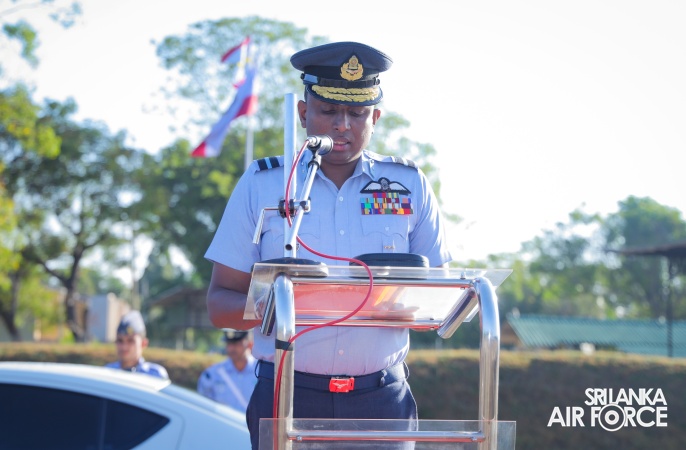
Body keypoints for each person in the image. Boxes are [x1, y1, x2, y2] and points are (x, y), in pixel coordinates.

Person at [204, 41, 452, 449]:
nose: (342, 125)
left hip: (380, 401)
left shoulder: (408, 185)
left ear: (375, 118)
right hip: (287, 393)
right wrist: (272, 308)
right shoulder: (264, 184)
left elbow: (440, 301)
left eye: (357, 113)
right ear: (304, 114)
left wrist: (397, 300)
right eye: (329, 110)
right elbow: (219, 304)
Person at [197, 329, 258, 413]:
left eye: (236, 344)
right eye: (228, 344)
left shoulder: (261, 372)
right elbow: (204, 407)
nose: (231, 348)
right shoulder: (212, 374)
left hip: (253, 422)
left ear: (250, 344)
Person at [105, 310, 169, 379]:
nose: (124, 347)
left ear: (143, 343)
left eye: (130, 341)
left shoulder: (155, 375)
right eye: (120, 340)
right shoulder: (108, 372)